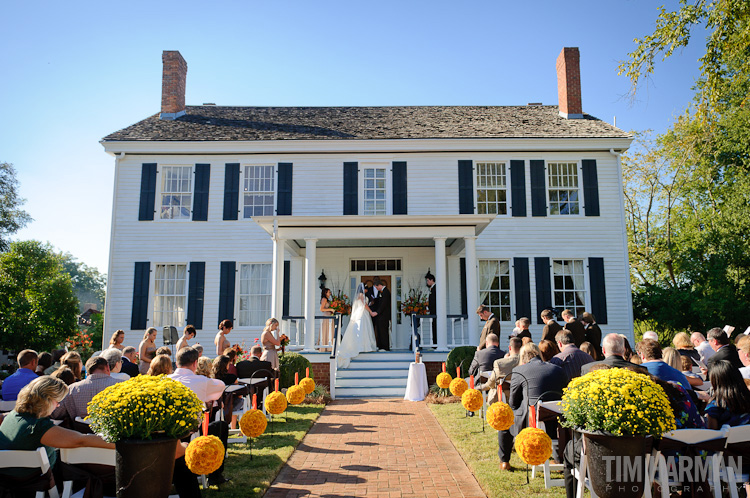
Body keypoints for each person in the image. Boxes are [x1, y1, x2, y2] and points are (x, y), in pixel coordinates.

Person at [0, 376, 115, 482]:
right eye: (58, 401)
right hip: (33, 482)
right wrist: (120, 443)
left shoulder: (12, 416)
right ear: (47, 400)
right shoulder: (38, 427)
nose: (58, 405)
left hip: (9, 478)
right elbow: (81, 440)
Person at [499, 343, 568, 471]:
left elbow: (513, 403)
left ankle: (504, 461)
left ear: (522, 356)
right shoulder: (558, 369)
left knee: (505, 421)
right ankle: (558, 458)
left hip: (531, 422)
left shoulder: (519, 371)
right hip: (557, 423)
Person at [169, 347, 230, 487]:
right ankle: (215, 474)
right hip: (190, 433)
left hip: (168, 433)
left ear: (177, 363)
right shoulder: (201, 381)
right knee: (220, 426)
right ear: (195, 363)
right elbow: (220, 387)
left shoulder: (165, 380)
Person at [51, 356, 123, 421]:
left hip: (79, 432)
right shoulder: (121, 386)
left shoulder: (72, 389)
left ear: (87, 371)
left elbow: (56, 413)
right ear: (107, 367)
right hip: (113, 431)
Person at [337, 283, 378, 369]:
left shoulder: (358, 295)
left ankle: (362, 345)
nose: (367, 291)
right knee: (364, 329)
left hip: (359, 313)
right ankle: (363, 346)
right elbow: (364, 304)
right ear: (364, 289)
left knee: (361, 329)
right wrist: (371, 312)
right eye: (366, 289)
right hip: (363, 313)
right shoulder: (361, 295)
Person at [478, 337, 522, 405]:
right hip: (522, 396)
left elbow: (490, 384)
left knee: (495, 386)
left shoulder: (500, 363)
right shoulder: (526, 362)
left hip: (503, 398)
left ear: (509, 348)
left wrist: (477, 388)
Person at [370, 277, 391, 351]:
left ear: (379, 285)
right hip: (380, 317)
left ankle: (385, 347)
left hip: (384, 316)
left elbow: (383, 304)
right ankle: (380, 346)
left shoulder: (386, 292)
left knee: (384, 331)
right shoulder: (380, 292)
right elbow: (378, 302)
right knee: (379, 331)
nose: (376, 289)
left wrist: (377, 312)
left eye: (376, 287)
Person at [426, 271, 437, 346]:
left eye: (427, 280)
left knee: (435, 327)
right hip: (432, 311)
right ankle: (434, 343)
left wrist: (429, 306)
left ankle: (435, 343)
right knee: (433, 327)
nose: (427, 282)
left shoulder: (435, 289)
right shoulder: (432, 289)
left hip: (435, 311)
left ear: (431, 280)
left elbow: (434, 301)